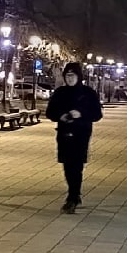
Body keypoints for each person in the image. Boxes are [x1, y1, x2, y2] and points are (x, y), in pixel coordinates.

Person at [47, 62, 103, 213]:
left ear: (79, 77)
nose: (70, 78)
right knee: (67, 165)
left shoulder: (88, 93)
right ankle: (74, 194)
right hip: (64, 132)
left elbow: (97, 115)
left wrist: (81, 114)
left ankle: (72, 197)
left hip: (81, 133)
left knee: (76, 165)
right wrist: (61, 116)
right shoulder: (60, 93)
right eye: (67, 75)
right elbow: (50, 112)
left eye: (73, 75)